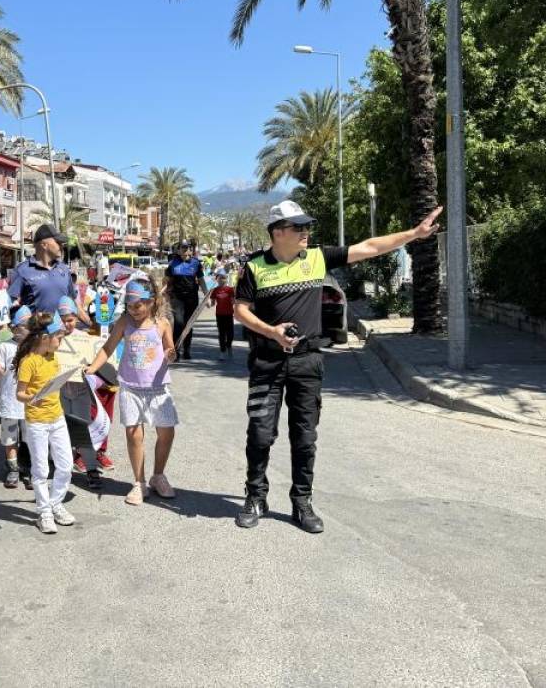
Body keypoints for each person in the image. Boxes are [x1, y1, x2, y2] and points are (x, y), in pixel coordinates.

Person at [233, 200, 442, 534]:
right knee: (259, 433)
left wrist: (414, 234)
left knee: (304, 436)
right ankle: (256, 496)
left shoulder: (317, 257)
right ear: (277, 232)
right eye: (298, 227)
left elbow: (370, 247)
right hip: (266, 362)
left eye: (306, 227)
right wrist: (271, 332)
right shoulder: (254, 267)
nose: (306, 232)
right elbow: (240, 310)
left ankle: (302, 502)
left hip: (308, 361)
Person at [85, 280, 177, 505]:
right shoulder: (124, 322)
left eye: (138, 305)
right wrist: (92, 368)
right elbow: (108, 347)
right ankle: (139, 482)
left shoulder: (162, 323)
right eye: (129, 305)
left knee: (167, 432)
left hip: (157, 387)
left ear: (151, 302)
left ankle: (158, 476)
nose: (133, 310)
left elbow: (169, 348)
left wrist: (171, 354)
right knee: (134, 434)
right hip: (130, 386)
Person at [15, 314, 76, 534]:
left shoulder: (53, 358)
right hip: (37, 422)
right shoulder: (28, 362)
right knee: (41, 469)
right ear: (44, 338)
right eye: (58, 337)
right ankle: (44, 513)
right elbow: (19, 394)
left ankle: (55, 503)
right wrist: (33, 397)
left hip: (57, 418)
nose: (61, 341)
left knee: (66, 465)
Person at [55, 301, 103, 490]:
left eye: (71, 320)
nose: (68, 324)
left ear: (76, 318)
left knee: (82, 428)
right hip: (60, 389)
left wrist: (90, 369)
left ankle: (91, 468)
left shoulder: (84, 338)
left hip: (80, 389)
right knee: (61, 431)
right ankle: (61, 470)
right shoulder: (52, 338)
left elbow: (96, 361)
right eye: (64, 321)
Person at [8, 224, 91, 325]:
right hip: (38, 336)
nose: (61, 246)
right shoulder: (22, 271)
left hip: (62, 334)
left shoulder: (64, 269)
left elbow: (74, 303)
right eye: (58, 242)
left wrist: (90, 324)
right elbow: (9, 306)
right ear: (44, 245)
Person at [0, 306, 33, 489]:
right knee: (10, 438)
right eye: (24, 326)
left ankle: (31, 469)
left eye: (29, 326)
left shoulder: (35, 346)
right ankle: (13, 469)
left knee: (30, 437)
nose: (27, 329)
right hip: (10, 400)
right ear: (14, 328)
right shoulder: (5, 346)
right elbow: (0, 371)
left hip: (29, 401)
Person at [165, 240, 205, 361]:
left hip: (192, 297)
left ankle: (187, 350)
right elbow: (166, 281)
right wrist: (163, 294)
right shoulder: (172, 264)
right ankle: (176, 350)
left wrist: (207, 294)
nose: (185, 250)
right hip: (177, 298)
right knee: (178, 323)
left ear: (190, 250)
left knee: (189, 324)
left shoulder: (196, 263)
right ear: (178, 250)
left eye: (187, 248)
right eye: (182, 248)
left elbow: (201, 280)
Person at [209, 269, 236, 359]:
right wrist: (207, 305)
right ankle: (222, 351)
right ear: (217, 279)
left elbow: (233, 302)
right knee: (221, 334)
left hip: (229, 314)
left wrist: (236, 298)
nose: (222, 280)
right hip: (219, 315)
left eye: (224, 278)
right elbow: (212, 304)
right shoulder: (215, 290)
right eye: (220, 278)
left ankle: (229, 345)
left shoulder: (230, 290)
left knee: (230, 334)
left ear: (226, 279)